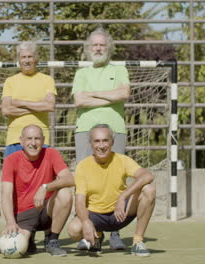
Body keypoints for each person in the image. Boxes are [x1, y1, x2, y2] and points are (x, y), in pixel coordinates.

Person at [71, 27, 131, 250]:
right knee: (85, 184)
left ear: (109, 48)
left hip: (115, 130)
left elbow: (123, 94)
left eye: (102, 45)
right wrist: (109, 95)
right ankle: (91, 233)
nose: (98, 48)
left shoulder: (121, 69)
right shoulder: (81, 73)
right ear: (88, 48)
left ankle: (115, 231)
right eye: (94, 45)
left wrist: (93, 95)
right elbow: (79, 100)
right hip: (85, 131)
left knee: (116, 183)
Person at [67, 124, 156, 256]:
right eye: (97, 141)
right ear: (90, 143)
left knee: (149, 190)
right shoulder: (82, 166)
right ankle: (97, 236)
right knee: (74, 229)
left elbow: (147, 176)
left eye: (105, 140)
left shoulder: (122, 160)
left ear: (112, 142)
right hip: (95, 216)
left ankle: (138, 242)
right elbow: (79, 201)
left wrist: (122, 197)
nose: (101, 146)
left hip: (120, 213)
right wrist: (86, 222)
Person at [1, 124, 74, 256]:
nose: (33, 143)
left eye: (37, 139)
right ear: (21, 141)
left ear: (43, 140)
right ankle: (30, 238)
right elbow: (6, 195)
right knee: (15, 248)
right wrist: (11, 222)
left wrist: (45, 187)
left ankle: (52, 240)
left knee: (65, 193)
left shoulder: (52, 154)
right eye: (29, 138)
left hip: (46, 209)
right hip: (23, 214)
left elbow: (70, 179)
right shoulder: (10, 160)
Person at [1, 41, 56, 157]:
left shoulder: (47, 80)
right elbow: (6, 110)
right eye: (23, 57)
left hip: (40, 139)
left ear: (35, 59)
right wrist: (38, 106)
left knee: (41, 175)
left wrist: (20, 103)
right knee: (13, 175)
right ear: (19, 60)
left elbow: (49, 106)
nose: (26, 60)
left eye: (30, 57)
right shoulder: (10, 81)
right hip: (14, 138)